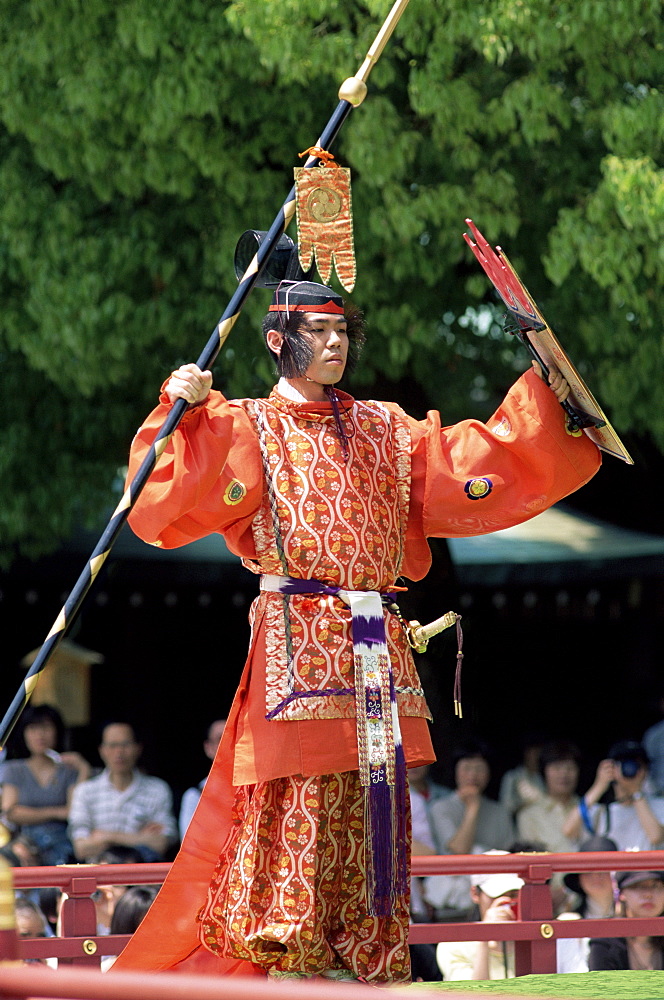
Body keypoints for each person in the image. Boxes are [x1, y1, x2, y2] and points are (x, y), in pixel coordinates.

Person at [114, 279, 600, 983]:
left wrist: (550, 405)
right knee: (300, 799)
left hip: (375, 638)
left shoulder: (384, 426)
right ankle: (293, 956)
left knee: (378, 803)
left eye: (342, 332)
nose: (335, 343)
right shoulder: (247, 424)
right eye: (318, 331)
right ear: (278, 340)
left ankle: (366, 956)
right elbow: (164, 503)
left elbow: (471, 462)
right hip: (299, 635)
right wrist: (179, 413)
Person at [424, 743, 514, 921]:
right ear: (456, 771)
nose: (472, 775)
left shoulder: (500, 812)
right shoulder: (441, 808)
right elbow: (459, 849)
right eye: (466, 768)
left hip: (494, 896)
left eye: (479, 769)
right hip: (449, 899)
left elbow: (509, 854)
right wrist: (473, 808)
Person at [68, 722, 177, 862]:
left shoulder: (157, 789)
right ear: (102, 750)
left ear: (138, 748)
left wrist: (106, 836)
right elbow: (81, 849)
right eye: (112, 745)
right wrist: (140, 838)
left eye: (125, 745)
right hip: (96, 877)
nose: (119, 752)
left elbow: (161, 844)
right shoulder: (85, 791)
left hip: (142, 878)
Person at [0, 704, 91, 865]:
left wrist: (83, 769)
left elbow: (75, 810)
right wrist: (56, 812)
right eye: (33, 728)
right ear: (24, 733)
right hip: (25, 844)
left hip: (64, 844)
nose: (40, 734)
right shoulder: (13, 769)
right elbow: (11, 812)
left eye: (46, 727)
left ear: (58, 731)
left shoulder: (69, 770)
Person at [563, 740, 664, 851]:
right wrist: (599, 786)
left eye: (638, 765)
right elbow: (569, 830)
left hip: (646, 868)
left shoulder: (660, 805)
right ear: (612, 769)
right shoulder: (601, 811)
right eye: (625, 764)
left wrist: (636, 793)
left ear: (645, 770)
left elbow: (656, 837)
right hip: (610, 868)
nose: (631, 769)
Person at [435, 860, 524, 981]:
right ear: (475, 894)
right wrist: (485, 937)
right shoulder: (453, 946)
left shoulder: (533, 940)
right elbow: (474, 994)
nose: (504, 902)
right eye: (497, 895)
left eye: (513, 895)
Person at [556, 834, 618, 974]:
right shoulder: (568, 921)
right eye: (588, 869)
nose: (596, 875)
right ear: (579, 877)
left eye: (604, 868)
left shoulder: (635, 917)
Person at [589, 871, 664, 971]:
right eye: (637, 886)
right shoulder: (605, 941)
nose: (648, 894)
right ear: (621, 894)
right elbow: (599, 984)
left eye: (656, 886)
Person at [178, 719, 227, 839]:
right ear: (208, 748)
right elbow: (190, 845)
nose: (229, 743)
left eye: (235, 736)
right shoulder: (195, 796)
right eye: (221, 739)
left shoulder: (259, 791)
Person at [498, 735, 546, 820]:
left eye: (540, 753)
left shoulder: (544, 778)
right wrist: (529, 805)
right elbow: (505, 806)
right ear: (526, 753)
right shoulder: (512, 777)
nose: (538, 756)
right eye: (535, 753)